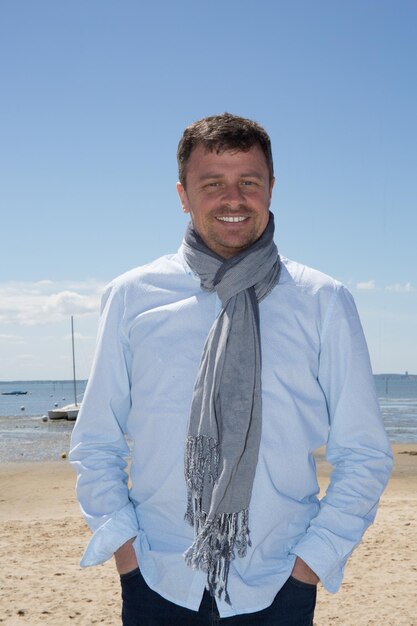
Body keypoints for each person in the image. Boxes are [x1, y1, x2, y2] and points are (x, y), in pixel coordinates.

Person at [70, 113, 393, 625]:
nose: (233, 199)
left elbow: (364, 452)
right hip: (158, 579)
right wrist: (127, 556)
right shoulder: (133, 297)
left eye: (249, 182)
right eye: (212, 183)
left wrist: (311, 565)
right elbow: (96, 441)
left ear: (271, 188)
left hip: (277, 583)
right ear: (183, 194)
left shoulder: (322, 301)